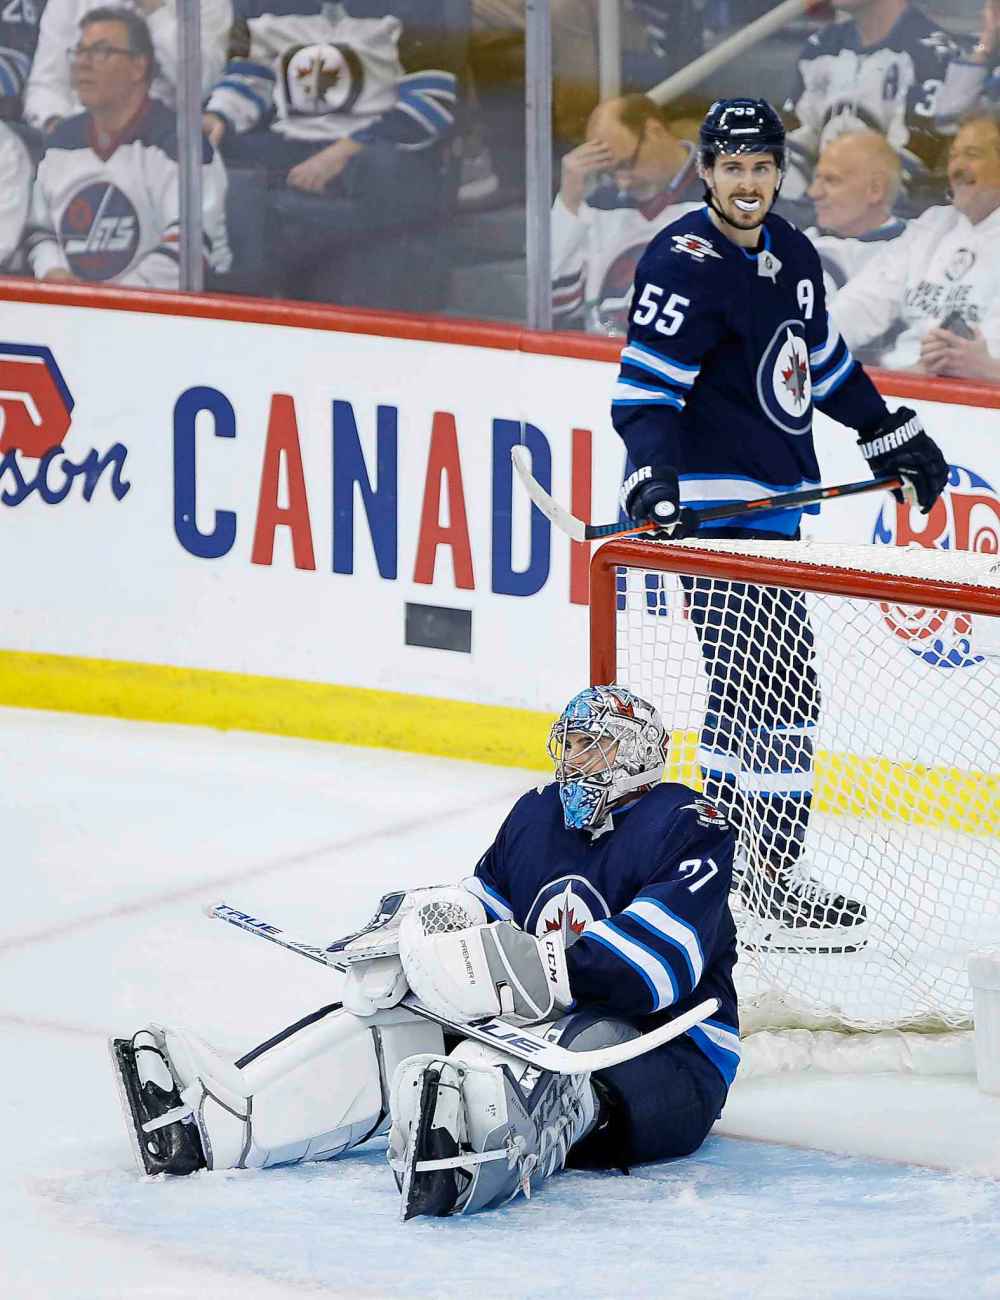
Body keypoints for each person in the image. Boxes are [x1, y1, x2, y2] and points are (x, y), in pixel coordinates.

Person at [110, 684, 740, 1220]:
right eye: (569, 745)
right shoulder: (536, 815)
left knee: (559, 1045)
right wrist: (417, 933)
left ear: (635, 756)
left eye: (592, 746)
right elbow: (483, 905)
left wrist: (527, 966)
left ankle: (468, 1155)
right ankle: (229, 1120)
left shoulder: (688, 822)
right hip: (536, 1023)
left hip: (668, 1059)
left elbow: (656, 966)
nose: (574, 761)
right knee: (390, 1018)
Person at [611, 97, 949, 949]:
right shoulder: (681, 260)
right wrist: (650, 474)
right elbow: (646, 389)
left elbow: (820, 364)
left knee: (751, 694)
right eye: (732, 167)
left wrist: (885, 430)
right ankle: (757, 872)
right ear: (706, 170)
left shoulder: (793, 253)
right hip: (716, 514)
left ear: (777, 172)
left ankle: (738, 871)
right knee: (779, 687)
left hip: (777, 508)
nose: (748, 182)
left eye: (761, 167)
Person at [199, 0, 461, 305]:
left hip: (375, 150)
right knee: (225, 168)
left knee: (384, 171)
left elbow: (434, 99)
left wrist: (343, 152)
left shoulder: (414, 6)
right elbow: (254, 77)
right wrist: (220, 115)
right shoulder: (264, 5)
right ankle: (243, 306)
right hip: (291, 145)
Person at [24, 6, 230, 287]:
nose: (83, 63)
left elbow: (187, 250)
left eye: (101, 51)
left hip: (172, 309)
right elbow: (40, 232)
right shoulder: (62, 142)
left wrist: (109, 300)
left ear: (138, 67)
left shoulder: (184, 146)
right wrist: (53, 272)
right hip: (76, 307)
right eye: (80, 52)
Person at [829, 109, 1000, 380]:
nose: (956, 168)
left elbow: (970, 363)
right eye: (954, 156)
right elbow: (863, 301)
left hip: (975, 397)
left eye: (973, 154)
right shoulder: (933, 225)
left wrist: (987, 369)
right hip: (904, 382)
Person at [781, 0, 964, 201]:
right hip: (823, 209)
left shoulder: (934, 55)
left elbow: (906, 180)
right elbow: (792, 149)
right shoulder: (822, 45)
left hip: (897, 215)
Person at [552, 93, 701, 333]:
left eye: (626, 164)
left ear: (654, 132)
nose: (622, 183)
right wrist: (569, 201)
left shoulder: (729, 199)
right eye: (610, 172)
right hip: (598, 352)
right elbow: (556, 308)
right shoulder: (597, 205)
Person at [23, 0, 232, 134]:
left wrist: (154, 11)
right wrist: (58, 126)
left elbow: (199, 84)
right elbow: (46, 85)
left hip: (157, 143)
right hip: (77, 135)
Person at [803, 129, 908, 297]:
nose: (814, 192)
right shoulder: (807, 234)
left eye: (831, 180)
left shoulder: (912, 255)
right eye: (817, 178)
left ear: (875, 189)